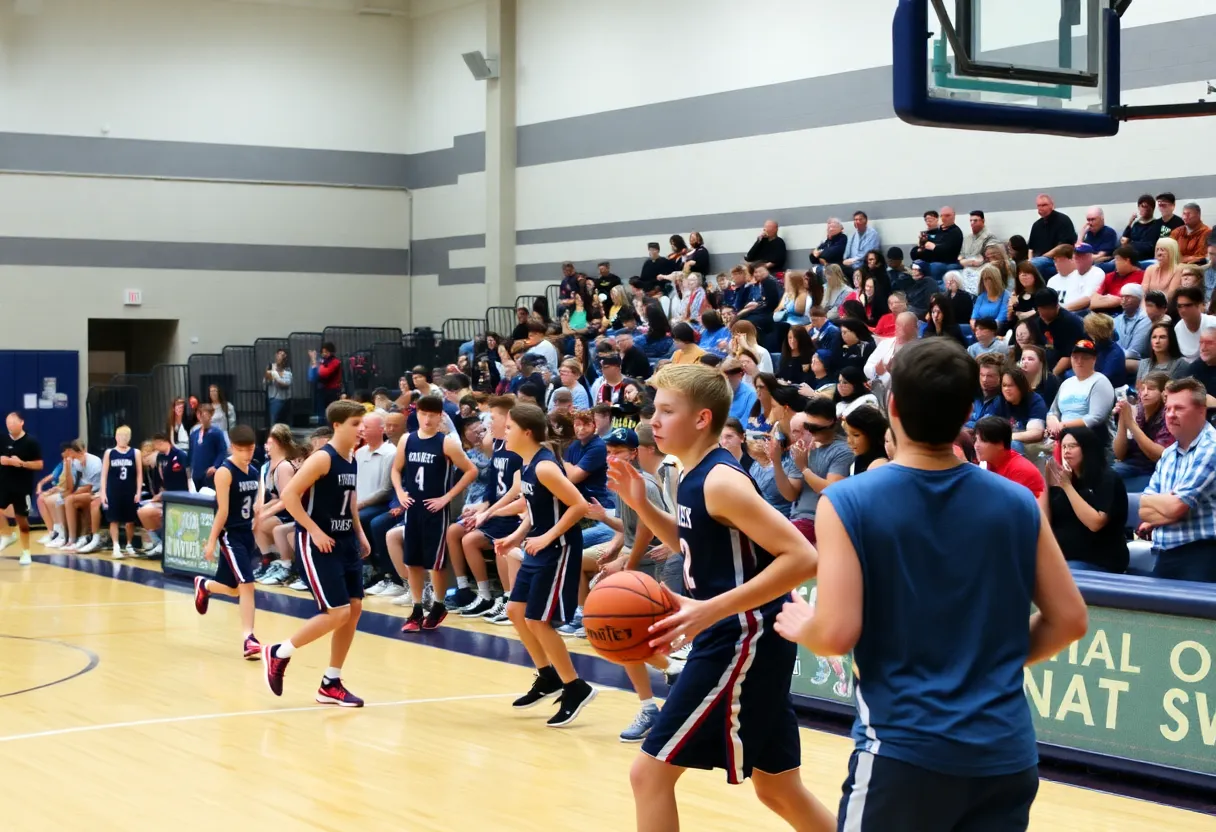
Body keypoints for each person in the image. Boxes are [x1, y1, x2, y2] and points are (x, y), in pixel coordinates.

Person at [775, 337, 1088, 831]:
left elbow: (835, 633)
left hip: (905, 753)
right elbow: (1070, 620)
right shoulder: (1017, 502)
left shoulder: (848, 502)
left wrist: (802, 625)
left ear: (892, 407)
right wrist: (986, 658)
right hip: (1005, 754)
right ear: (968, 411)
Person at [606, 364, 833, 832]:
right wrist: (645, 504)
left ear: (702, 419)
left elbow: (803, 556)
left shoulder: (721, 481)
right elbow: (691, 546)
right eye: (655, 410)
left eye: (667, 411)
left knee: (648, 774)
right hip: (742, 639)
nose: (654, 421)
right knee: (778, 788)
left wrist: (709, 609)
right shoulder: (690, 477)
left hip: (741, 640)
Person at [263, 400, 372, 706]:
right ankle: (278, 652)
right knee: (337, 612)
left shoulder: (351, 458)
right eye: (355, 423)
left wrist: (360, 533)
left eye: (362, 423)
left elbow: (350, 500)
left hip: (345, 541)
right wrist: (313, 529)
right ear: (337, 426)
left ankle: (331, 682)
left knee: (354, 611)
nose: (361, 428)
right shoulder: (322, 459)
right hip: (319, 544)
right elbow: (289, 496)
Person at [494, 403, 596, 726]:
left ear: (526, 432)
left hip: (559, 548)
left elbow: (578, 506)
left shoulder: (545, 467)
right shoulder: (526, 465)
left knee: (538, 620)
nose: (504, 432)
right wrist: (516, 536)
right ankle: (547, 675)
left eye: (509, 427)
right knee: (514, 610)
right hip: (540, 545)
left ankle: (574, 686)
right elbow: (537, 507)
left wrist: (546, 537)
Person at [392, 395, 478, 633]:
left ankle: (438, 605)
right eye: (423, 414)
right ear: (416, 414)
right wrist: (400, 491)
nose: (427, 419)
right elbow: (395, 470)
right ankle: (417, 608)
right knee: (413, 562)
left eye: (432, 415)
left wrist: (447, 497)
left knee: (435, 564)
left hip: (435, 510)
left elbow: (471, 471)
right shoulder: (406, 440)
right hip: (413, 507)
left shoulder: (446, 443)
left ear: (440, 416)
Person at [192, 425, 264, 660]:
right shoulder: (225, 472)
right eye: (242, 450)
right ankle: (249, 638)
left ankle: (205, 586)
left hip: (246, 533)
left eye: (251, 449)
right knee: (248, 585)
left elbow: (253, 504)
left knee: (235, 590)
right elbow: (222, 511)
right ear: (233, 447)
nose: (247, 454)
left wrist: (256, 516)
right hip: (229, 535)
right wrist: (211, 542)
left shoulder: (254, 471)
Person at [448, 396, 523, 618]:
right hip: (498, 508)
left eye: (493, 417)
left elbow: (516, 491)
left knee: (475, 540)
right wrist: (482, 506)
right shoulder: (499, 445)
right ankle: (473, 591)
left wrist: (487, 512)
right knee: (454, 532)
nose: (488, 422)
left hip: (514, 514)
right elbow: (494, 486)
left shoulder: (515, 448)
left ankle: (504, 597)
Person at [1138, 379, 1216, 582]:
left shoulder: (1212, 448)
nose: (1170, 415)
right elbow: (1143, 509)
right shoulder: (1168, 454)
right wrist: (1162, 502)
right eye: (1168, 408)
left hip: (1201, 555)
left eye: (1179, 408)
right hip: (1165, 555)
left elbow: (1176, 507)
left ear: (1201, 411)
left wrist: (1166, 504)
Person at [1041, 426, 1128, 573]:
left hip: (1099, 560)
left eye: (1072, 446)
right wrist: (1045, 484)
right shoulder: (1065, 478)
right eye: (1064, 447)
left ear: (1087, 448)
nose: (1066, 451)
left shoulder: (1107, 478)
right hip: (1063, 558)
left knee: (1058, 576)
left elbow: (1095, 523)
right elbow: (1046, 523)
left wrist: (1067, 487)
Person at [0, 411, 44, 566]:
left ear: (21, 423)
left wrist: (22, 463)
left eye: (12, 423)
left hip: (22, 487)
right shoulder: (2, 439)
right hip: (3, 483)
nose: (9, 427)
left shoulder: (31, 442)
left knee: (22, 522)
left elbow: (39, 464)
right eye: (7, 424)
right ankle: (7, 534)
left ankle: (26, 552)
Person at [100, 425, 143, 559]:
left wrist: (138, 492)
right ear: (116, 437)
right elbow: (104, 475)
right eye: (120, 436)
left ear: (129, 438)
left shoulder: (135, 452)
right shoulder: (110, 453)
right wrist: (103, 493)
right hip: (114, 490)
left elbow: (139, 474)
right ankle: (116, 546)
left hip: (129, 490)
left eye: (125, 436)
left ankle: (129, 545)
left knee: (130, 520)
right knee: (114, 519)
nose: (122, 439)